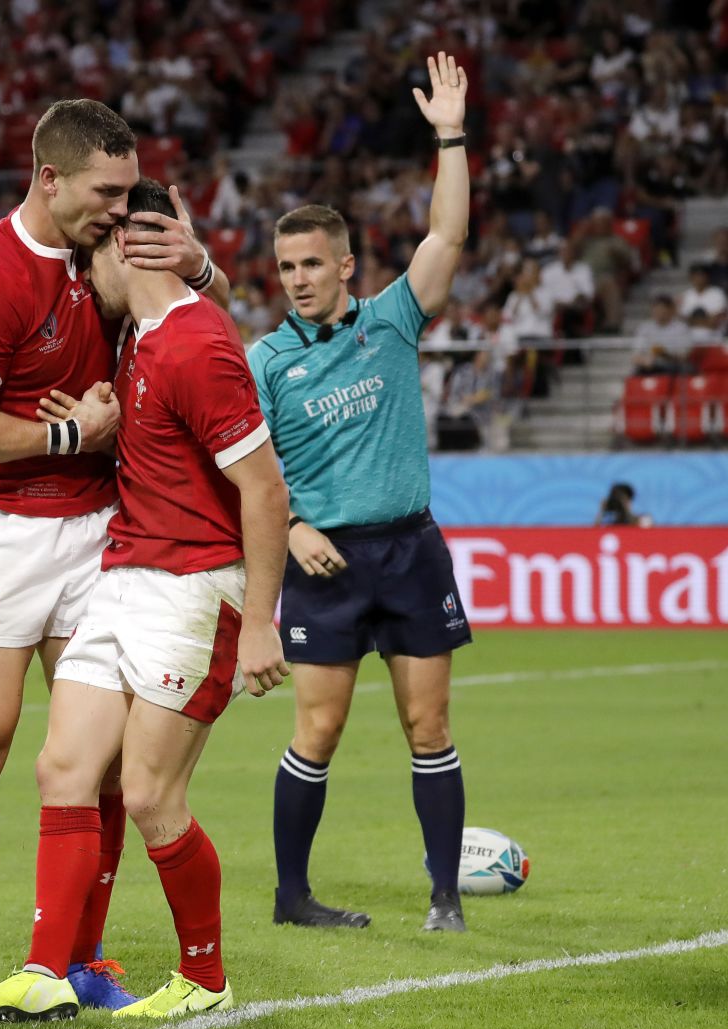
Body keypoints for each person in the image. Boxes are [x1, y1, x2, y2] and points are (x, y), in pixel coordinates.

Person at [0, 97, 229, 1020]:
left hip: (100, 534)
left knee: (102, 764)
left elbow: (202, 311)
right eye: (105, 194)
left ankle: (81, 957)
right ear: (50, 179)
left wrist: (197, 259)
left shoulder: (105, 249)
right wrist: (71, 433)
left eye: (128, 195)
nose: (121, 213)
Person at [0, 179, 290, 1024]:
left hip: (194, 590)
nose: (79, 274)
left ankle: (205, 979)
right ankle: (43, 971)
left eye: (89, 253)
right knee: (62, 769)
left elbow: (265, 490)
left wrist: (258, 624)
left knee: (147, 797)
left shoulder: (195, 348)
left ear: (124, 248)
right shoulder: (141, 334)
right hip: (123, 576)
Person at [245, 53, 473, 933]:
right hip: (325, 560)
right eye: (285, 265)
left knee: (429, 724)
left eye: (311, 263)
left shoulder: (390, 320)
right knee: (318, 731)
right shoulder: (266, 361)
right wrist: (293, 524)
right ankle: (292, 896)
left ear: (346, 265)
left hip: (409, 549)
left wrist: (449, 135)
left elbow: (446, 238)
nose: (297, 277)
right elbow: (248, 473)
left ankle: (445, 898)